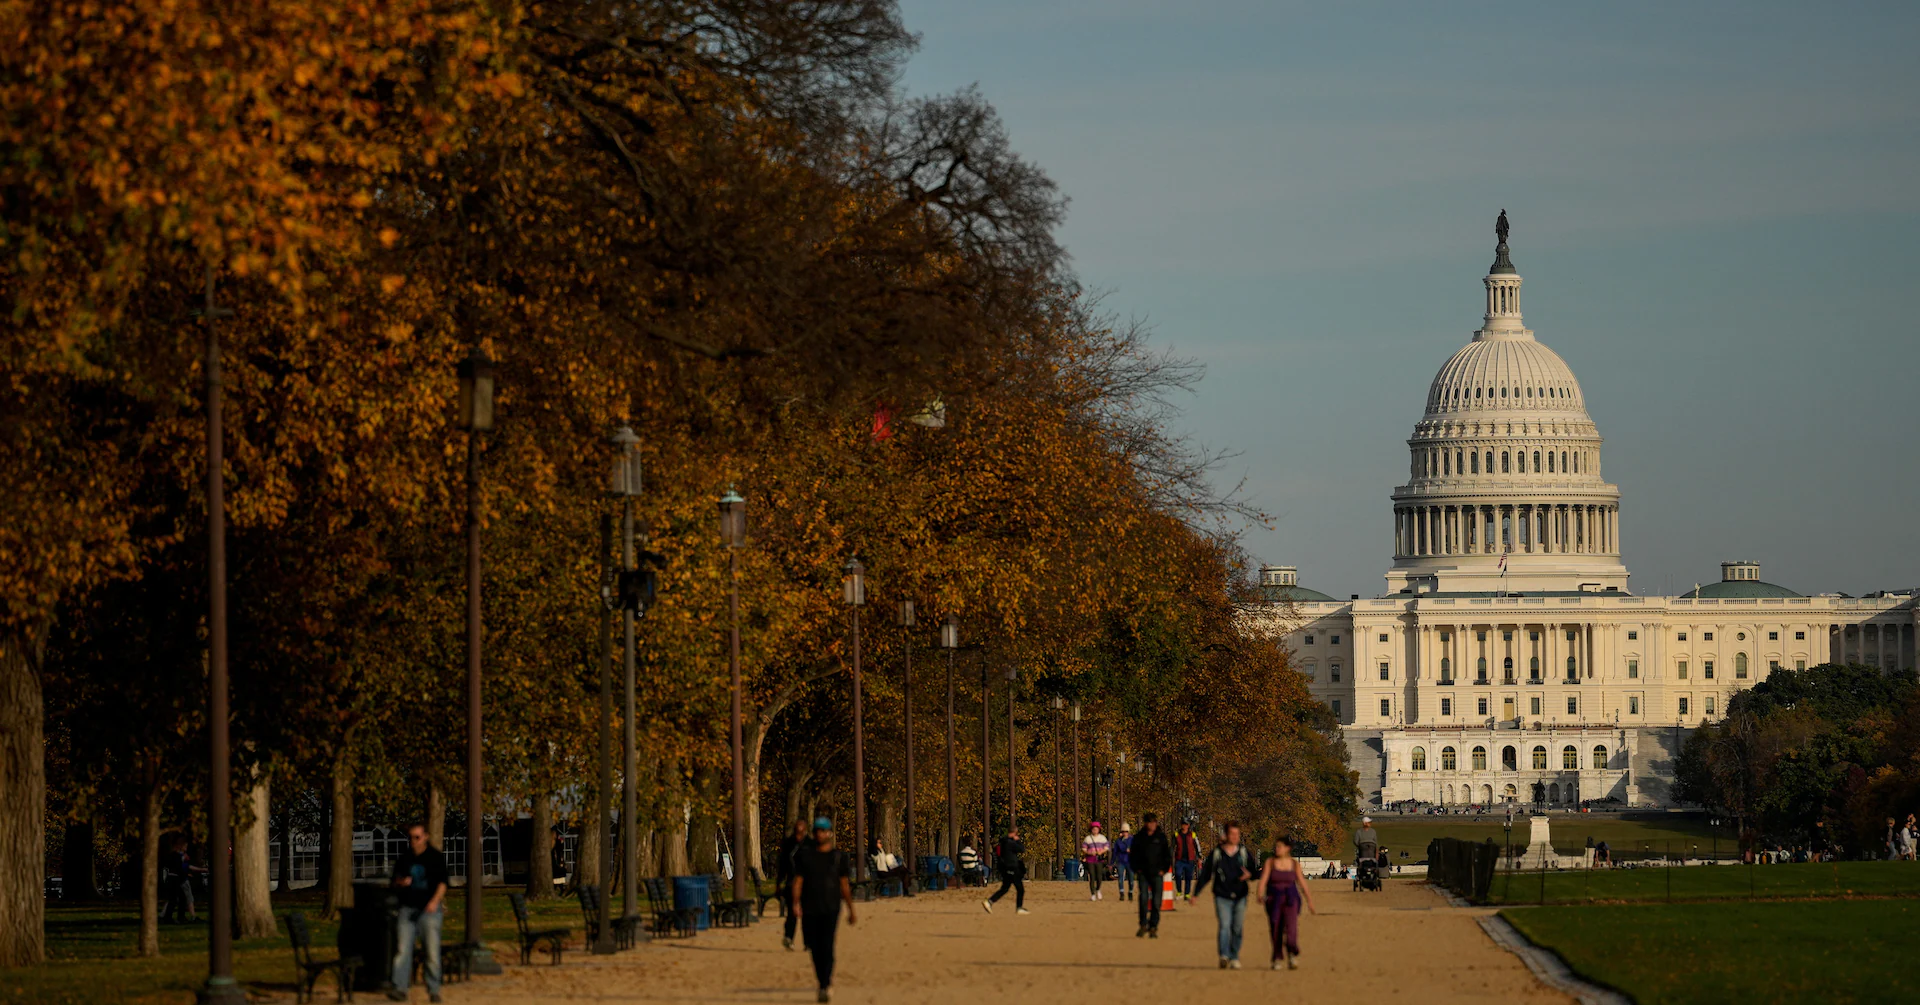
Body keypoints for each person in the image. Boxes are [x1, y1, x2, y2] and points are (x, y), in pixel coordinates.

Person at [792, 816, 856, 1003]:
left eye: (824, 830)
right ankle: (822, 979)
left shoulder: (838, 857)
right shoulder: (805, 857)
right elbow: (798, 881)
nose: (820, 834)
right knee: (814, 946)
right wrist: (796, 903)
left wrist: (851, 909)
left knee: (827, 945)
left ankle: (825, 983)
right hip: (810, 907)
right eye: (818, 831)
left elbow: (844, 885)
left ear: (830, 833)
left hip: (831, 907)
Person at [388, 822, 449, 1004]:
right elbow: (394, 881)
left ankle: (433, 989)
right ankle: (400, 988)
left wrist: (434, 902)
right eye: (411, 837)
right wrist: (401, 882)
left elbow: (442, 883)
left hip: (429, 910)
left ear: (426, 837)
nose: (414, 841)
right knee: (403, 951)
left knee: (431, 951)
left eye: (417, 837)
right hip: (407, 908)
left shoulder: (435, 857)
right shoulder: (404, 858)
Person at [1191, 821, 1257, 969]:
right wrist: (1195, 894)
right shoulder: (1217, 853)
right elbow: (1206, 874)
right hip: (1222, 895)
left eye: (1237, 834)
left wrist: (1250, 875)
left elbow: (1254, 872)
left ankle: (1234, 956)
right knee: (1225, 925)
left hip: (1240, 895)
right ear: (1226, 835)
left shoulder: (1243, 853)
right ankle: (1224, 955)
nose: (1235, 837)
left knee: (1237, 927)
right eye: (1232, 834)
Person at [1255, 835, 1316, 970]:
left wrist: (1309, 901)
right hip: (1273, 899)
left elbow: (1302, 883)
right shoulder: (1270, 863)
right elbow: (1263, 880)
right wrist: (1259, 894)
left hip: (1290, 899)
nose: (1276, 849)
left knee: (1291, 929)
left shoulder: (1294, 864)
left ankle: (1292, 954)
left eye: (1279, 846)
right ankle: (1277, 957)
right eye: (1276, 846)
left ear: (1287, 848)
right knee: (1275, 928)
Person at [1130, 812, 1172, 938]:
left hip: (1157, 873)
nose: (1152, 824)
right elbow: (1133, 855)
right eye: (1149, 822)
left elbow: (1167, 856)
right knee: (1143, 899)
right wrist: (1136, 869)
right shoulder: (1139, 837)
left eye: (1154, 822)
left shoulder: (1161, 838)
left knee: (1156, 901)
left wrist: (1163, 870)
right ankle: (1143, 923)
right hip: (1143, 872)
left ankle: (1153, 926)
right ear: (1145, 823)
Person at [776, 819, 808, 950]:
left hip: (807, 884)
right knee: (792, 913)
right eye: (797, 831)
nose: (798, 835)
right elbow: (782, 865)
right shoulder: (788, 844)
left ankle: (808, 942)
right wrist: (778, 883)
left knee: (808, 914)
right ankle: (789, 937)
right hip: (791, 882)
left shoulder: (810, 844)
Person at [982, 828, 1029, 914]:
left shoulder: (1003, 842)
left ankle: (989, 901)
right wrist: (1017, 840)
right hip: (1012, 867)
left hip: (1005, 867)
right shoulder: (1010, 843)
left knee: (1005, 888)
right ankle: (1019, 908)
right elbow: (1022, 849)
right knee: (1020, 889)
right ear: (1013, 833)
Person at [158, 834, 201, 923]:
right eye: (185, 846)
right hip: (174, 879)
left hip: (177, 878)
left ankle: (178, 917)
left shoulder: (180, 855)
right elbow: (176, 865)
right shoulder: (175, 855)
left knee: (180, 898)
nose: (186, 848)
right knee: (174, 899)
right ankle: (169, 917)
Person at [1080, 821, 1111, 901]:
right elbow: (1083, 848)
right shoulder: (1088, 838)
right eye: (1093, 829)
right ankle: (1093, 894)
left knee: (1099, 876)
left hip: (1099, 860)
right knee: (1092, 876)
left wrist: (1102, 851)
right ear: (1091, 829)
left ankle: (1098, 889)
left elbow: (1107, 846)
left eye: (1096, 829)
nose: (1095, 830)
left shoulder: (1102, 838)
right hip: (1090, 859)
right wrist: (1089, 852)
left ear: (1099, 829)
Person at [1172, 821, 1201, 900]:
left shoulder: (1193, 835)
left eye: (1186, 824)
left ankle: (1187, 894)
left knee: (1188, 877)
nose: (1184, 826)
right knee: (1177, 874)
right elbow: (1172, 846)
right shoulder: (1176, 834)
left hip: (1190, 859)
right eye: (1183, 824)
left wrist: (1199, 856)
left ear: (1188, 825)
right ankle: (1179, 891)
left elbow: (1197, 846)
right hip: (1179, 859)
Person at [1112, 823, 1135, 901]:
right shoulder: (1118, 841)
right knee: (1120, 878)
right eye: (1123, 831)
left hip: (1130, 861)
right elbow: (1115, 852)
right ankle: (1121, 893)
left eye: (1126, 831)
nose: (1125, 833)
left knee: (1131, 879)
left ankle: (1130, 892)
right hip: (1121, 861)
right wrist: (1112, 862)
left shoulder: (1132, 840)